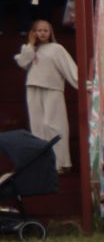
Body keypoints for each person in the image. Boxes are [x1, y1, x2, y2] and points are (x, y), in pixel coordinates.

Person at [14, 19, 77, 170]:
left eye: (45, 30)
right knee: (38, 126)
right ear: (33, 33)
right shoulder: (29, 49)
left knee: (54, 124)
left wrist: (83, 84)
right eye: (39, 30)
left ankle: (60, 162)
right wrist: (30, 44)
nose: (42, 33)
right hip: (33, 87)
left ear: (50, 33)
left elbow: (70, 68)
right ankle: (43, 164)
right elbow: (23, 63)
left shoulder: (56, 48)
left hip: (53, 89)